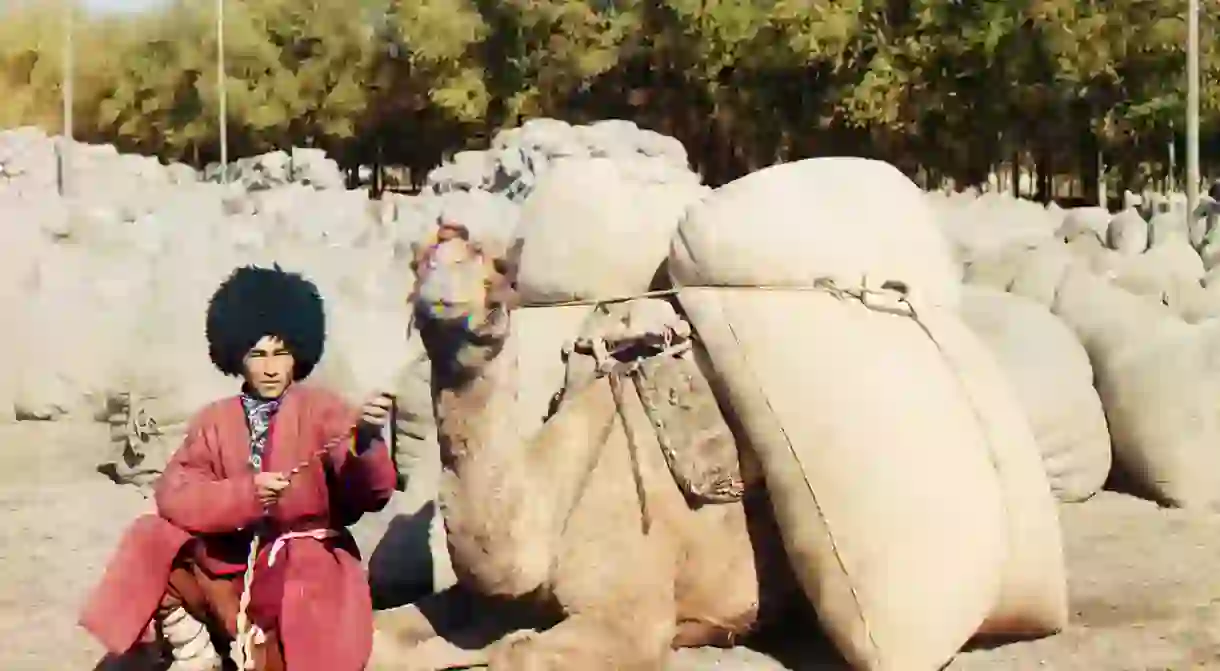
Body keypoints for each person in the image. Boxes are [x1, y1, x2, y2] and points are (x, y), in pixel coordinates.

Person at [80, 264, 399, 671]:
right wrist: (245, 495)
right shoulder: (214, 420)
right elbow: (175, 494)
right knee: (152, 538)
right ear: (236, 356)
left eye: (281, 353)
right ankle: (194, 652)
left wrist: (367, 439)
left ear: (299, 353)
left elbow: (371, 494)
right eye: (257, 354)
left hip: (303, 567)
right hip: (231, 563)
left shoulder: (325, 410)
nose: (270, 368)